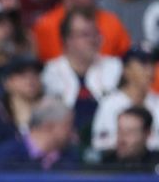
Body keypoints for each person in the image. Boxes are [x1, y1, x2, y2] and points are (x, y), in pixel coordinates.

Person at [41, 9, 122, 140]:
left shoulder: (114, 67)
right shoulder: (50, 73)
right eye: (85, 35)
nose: (93, 40)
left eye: (95, 33)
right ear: (67, 40)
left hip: (110, 142)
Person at [92, 47, 159, 151]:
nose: (150, 71)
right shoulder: (110, 104)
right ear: (126, 70)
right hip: (120, 164)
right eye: (144, 64)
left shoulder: (157, 102)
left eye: (152, 64)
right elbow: (99, 143)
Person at [0, 95, 78, 171]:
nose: (73, 132)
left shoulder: (70, 158)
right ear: (48, 126)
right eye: (68, 126)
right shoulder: (6, 155)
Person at [0, 56, 43, 146]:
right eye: (22, 75)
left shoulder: (48, 108)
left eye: (35, 74)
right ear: (8, 82)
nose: (30, 80)